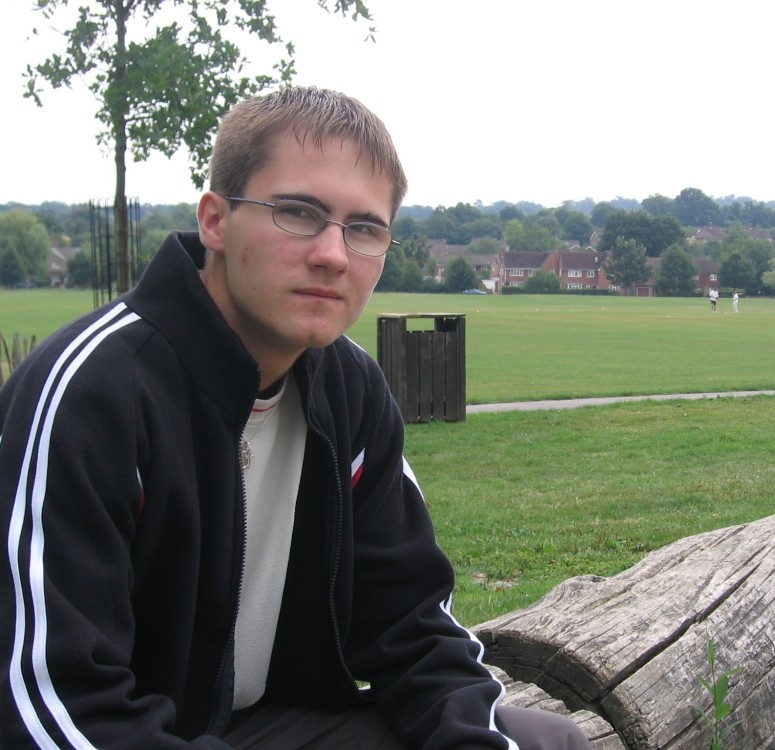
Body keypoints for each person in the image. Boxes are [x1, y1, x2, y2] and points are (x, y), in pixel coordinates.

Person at [0, 87, 593, 750]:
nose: (334, 255)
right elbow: (51, 705)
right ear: (215, 221)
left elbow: (414, 629)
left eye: (364, 228)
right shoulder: (95, 394)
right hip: (113, 731)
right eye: (298, 213)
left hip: (263, 723)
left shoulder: (350, 389)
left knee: (543, 741)